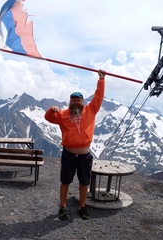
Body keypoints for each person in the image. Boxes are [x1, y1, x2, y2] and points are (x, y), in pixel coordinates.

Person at [44, 69, 106, 220]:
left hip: (85, 155)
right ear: (70, 102)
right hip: (69, 154)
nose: (76, 101)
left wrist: (101, 80)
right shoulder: (63, 114)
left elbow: (98, 97)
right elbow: (48, 118)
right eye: (73, 99)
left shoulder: (91, 110)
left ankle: (82, 206)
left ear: (83, 102)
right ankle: (63, 206)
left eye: (78, 99)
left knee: (84, 182)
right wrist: (51, 109)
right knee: (65, 181)